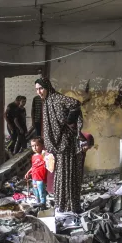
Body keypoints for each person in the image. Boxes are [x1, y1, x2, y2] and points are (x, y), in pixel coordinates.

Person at [35, 78, 83, 213]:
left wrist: (69, 122)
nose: (39, 92)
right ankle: (63, 205)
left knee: (66, 174)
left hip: (65, 144)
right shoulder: (48, 101)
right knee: (61, 175)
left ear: (47, 87)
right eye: (37, 89)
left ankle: (68, 205)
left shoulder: (57, 98)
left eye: (41, 88)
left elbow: (76, 104)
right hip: (58, 146)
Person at [24, 137, 48, 207]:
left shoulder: (44, 155)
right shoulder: (34, 156)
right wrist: (28, 172)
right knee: (36, 192)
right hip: (34, 177)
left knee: (41, 192)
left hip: (41, 178)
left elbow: (50, 164)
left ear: (42, 145)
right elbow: (33, 166)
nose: (34, 147)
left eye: (37, 145)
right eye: (32, 146)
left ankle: (43, 205)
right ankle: (38, 204)